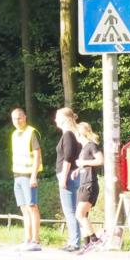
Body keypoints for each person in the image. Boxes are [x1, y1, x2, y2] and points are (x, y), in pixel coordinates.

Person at [10, 108, 42, 251]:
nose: (17, 121)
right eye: (14, 119)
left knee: (32, 206)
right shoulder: (14, 134)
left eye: (19, 118)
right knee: (23, 208)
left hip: (29, 175)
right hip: (17, 175)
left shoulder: (32, 133)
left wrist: (34, 176)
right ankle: (27, 239)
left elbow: (37, 156)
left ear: (25, 117)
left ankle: (36, 240)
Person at [72, 122, 104, 252]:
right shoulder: (84, 149)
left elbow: (100, 160)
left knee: (80, 214)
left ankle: (95, 240)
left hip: (90, 184)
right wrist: (78, 170)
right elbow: (85, 164)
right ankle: (87, 243)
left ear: (81, 134)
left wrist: (83, 162)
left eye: (76, 135)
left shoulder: (91, 146)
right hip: (83, 183)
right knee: (81, 214)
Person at [54, 107, 82, 252]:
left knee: (70, 210)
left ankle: (75, 242)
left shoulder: (68, 135)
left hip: (67, 175)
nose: (55, 120)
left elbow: (68, 157)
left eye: (57, 118)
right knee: (72, 209)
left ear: (64, 119)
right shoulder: (72, 134)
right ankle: (74, 240)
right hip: (71, 174)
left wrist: (63, 178)